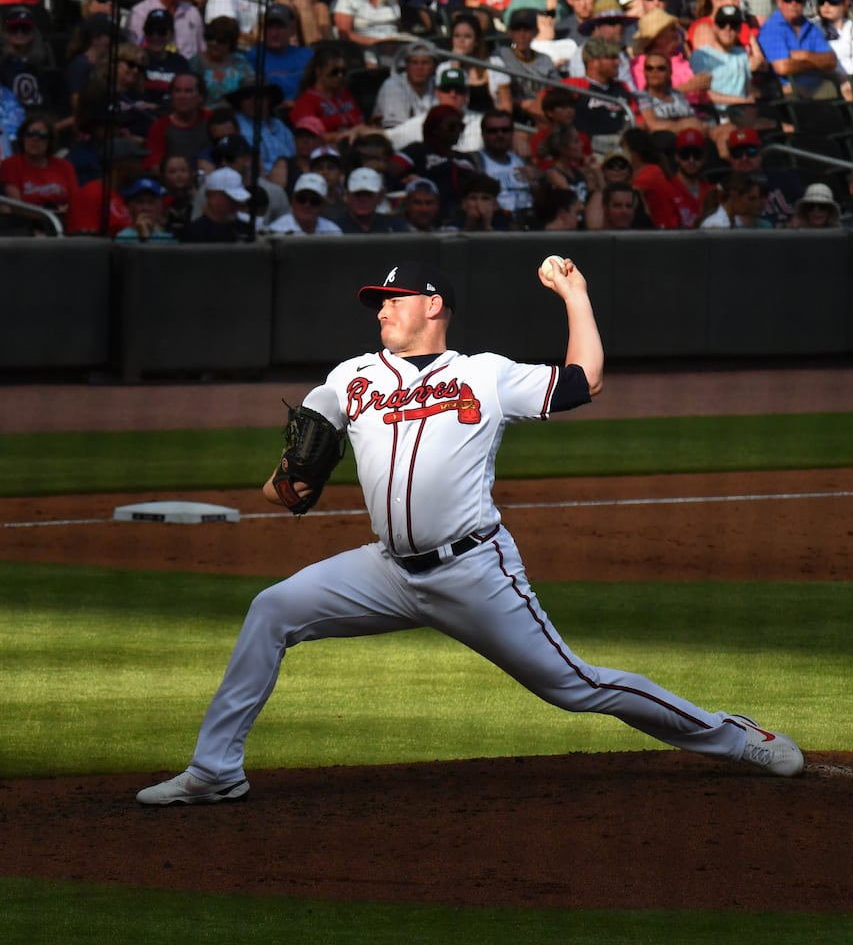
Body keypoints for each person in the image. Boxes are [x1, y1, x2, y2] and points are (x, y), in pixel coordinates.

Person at [135, 256, 805, 807]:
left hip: (474, 573)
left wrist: (575, 294)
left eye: (395, 299)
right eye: (378, 301)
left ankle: (733, 734)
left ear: (434, 305)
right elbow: (290, 485)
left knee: (574, 686)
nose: (382, 309)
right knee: (273, 608)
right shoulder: (351, 377)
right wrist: (289, 480)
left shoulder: (484, 373)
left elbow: (582, 382)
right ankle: (216, 771)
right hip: (386, 570)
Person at [756, 0, 837, 97]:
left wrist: (805, 55)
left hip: (817, 86)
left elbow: (831, 61)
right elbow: (782, 67)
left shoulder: (811, 27)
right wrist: (815, 63)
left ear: (804, 2)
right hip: (786, 91)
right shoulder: (771, 28)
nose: (793, 4)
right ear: (779, 2)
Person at [0, 113, 77, 214]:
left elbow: (75, 202)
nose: (35, 139)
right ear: (22, 138)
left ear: (50, 141)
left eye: (42, 135)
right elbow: (17, 207)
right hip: (28, 224)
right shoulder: (10, 165)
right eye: (30, 134)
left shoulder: (65, 166)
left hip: (63, 220)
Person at [290, 50, 372, 145]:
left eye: (343, 71)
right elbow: (308, 140)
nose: (340, 76)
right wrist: (345, 134)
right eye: (334, 72)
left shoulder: (344, 93)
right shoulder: (305, 102)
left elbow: (359, 122)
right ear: (319, 71)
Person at [690, 3, 763, 110]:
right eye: (722, 24)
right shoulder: (702, 55)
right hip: (718, 115)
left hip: (744, 114)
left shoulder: (741, 53)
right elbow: (703, 94)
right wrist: (740, 101)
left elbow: (747, 88)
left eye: (733, 25)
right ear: (714, 27)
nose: (728, 29)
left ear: (739, 29)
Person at [474, 109, 536, 216]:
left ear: (512, 133)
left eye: (505, 130)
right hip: (497, 221)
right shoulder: (475, 160)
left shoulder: (520, 160)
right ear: (483, 134)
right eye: (493, 131)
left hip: (527, 219)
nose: (500, 135)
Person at [129, 0, 205, 58]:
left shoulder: (192, 12)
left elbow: (201, 50)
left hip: (186, 68)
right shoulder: (139, 12)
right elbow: (134, 50)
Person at [250, 4, 313, 104]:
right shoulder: (254, 57)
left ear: (292, 29)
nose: (274, 34)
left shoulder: (308, 55)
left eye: (280, 27)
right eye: (270, 27)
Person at [190, 16, 255, 106]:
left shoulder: (240, 62)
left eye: (221, 40)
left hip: (233, 116)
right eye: (210, 38)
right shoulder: (195, 63)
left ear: (231, 43)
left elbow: (251, 91)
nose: (214, 43)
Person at [330, 166, 412, 232]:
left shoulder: (395, 226)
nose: (363, 199)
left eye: (368, 195)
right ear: (348, 197)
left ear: (380, 198)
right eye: (358, 194)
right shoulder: (333, 228)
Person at [375, 43, 439, 128]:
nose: (419, 68)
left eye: (425, 63)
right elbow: (397, 131)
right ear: (407, 65)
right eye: (414, 62)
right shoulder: (392, 86)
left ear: (434, 67)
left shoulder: (439, 85)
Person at [181, 165, 252, 242]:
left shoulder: (244, 230)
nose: (235, 204)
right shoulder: (194, 233)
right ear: (212, 197)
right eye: (230, 199)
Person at [267, 171, 344, 234]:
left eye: (314, 201)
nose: (307, 205)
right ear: (293, 201)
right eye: (302, 199)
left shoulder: (333, 231)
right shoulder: (276, 231)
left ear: (323, 206)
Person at [114, 176, 178, 243]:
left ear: (159, 207)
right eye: (140, 202)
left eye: (151, 202)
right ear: (131, 207)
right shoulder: (123, 237)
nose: (146, 208)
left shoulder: (168, 239)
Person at [699, 170, 770, 228]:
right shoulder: (717, 225)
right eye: (751, 199)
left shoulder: (736, 223)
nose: (756, 203)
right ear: (734, 196)